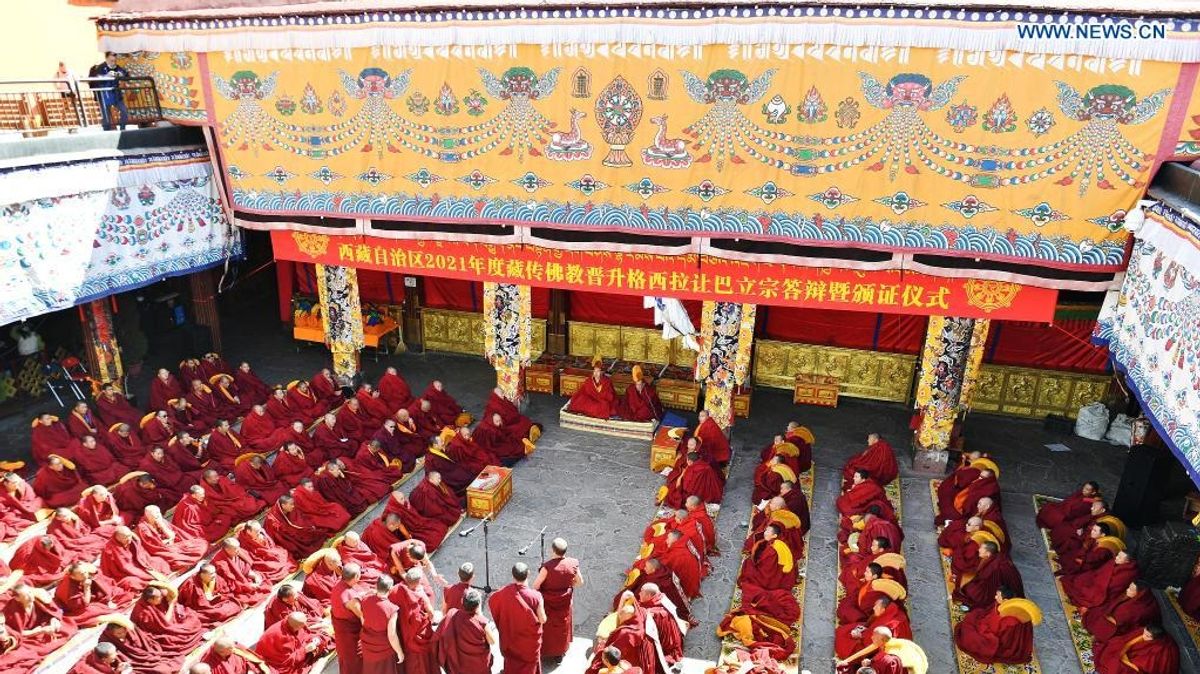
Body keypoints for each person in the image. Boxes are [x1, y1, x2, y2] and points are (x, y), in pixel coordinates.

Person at [489, 563, 547, 674]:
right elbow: (542, 619)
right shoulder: (536, 596)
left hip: (511, 636)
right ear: (528, 574)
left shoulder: (504, 592)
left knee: (512, 661)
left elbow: (492, 601)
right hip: (528, 642)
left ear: (513, 576)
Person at [533, 537, 583, 665]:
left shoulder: (547, 567)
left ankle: (545, 650)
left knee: (548, 628)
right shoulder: (573, 563)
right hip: (564, 602)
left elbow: (536, 586)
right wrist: (567, 584)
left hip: (548, 602)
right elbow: (580, 582)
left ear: (552, 550)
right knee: (562, 627)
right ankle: (559, 653)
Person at [954, 588, 1036, 665]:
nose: (995, 597)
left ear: (1005, 600)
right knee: (972, 616)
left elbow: (1003, 639)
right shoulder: (999, 604)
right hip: (986, 625)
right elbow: (988, 614)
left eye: (998, 596)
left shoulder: (1011, 621)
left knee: (971, 637)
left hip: (995, 638)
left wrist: (985, 630)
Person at [129, 584, 206, 654]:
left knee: (191, 617)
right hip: (158, 632)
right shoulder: (144, 613)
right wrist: (171, 605)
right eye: (159, 597)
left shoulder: (150, 601)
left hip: (164, 623)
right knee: (175, 638)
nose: (161, 598)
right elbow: (164, 624)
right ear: (150, 600)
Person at [1083, 580, 1161, 648]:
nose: (1127, 590)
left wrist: (1109, 620)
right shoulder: (1139, 598)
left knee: (1099, 626)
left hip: (1125, 628)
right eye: (1129, 587)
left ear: (1139, 594)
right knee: (1097, 613)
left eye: (1131, 589)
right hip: (1118, 620)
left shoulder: (1130, 610)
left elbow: (1122, 624)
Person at [390, 567, 438, 674]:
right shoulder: (420, 593)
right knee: (423, 657)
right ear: (418, 582)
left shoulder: (395, 590)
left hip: (405, 631)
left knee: (411, 657)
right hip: (419, 632)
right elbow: (431, 613)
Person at [438, 588, 495, 674]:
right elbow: (492, 641)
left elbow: (441, 633)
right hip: (478, 665)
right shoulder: (482, 622)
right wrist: (480, 615)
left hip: (459, 662)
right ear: (478, 605)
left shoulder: (452, 614)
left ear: (462, 601)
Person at [255, 611, 332, 674]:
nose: (305, 626)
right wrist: (305, 650)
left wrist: (313, 641)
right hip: (276, 661)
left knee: (320, 638)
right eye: (302, 625)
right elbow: (288, 660)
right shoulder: (281, 636)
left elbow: (304, 634)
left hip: (299, 648)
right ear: (296, 627)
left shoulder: (290, 623)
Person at [834, 596, 911, 659]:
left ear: (883, 609)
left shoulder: (889, 624)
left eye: (876, 607)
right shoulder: (892, 610)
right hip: (878, 635)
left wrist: (860, 636)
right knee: (849, 628)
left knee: (842, 639)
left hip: (884, 647)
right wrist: (865, 628)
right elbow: (873, 625)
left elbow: (873, 642)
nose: (873, 608)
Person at [55, 562, 129, 627]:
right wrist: (87, 588)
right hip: (74, 609)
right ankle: (107, 617)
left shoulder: (80, 577)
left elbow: (96, 573)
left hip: (85, 599)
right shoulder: (70, 588)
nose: (85, 575)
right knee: (92, 611)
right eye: (81, 574)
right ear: (72, 576)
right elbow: (84, 604)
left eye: (85, 572)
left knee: (114, 591)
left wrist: (93, 570)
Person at [99, 526, 170, 594]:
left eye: (129, 535)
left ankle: (153, 579)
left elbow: (141, 553)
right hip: (123, 574)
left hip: (139, 563)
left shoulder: (132, 539)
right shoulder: (109, 549)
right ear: (117, 537)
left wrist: (144, 563)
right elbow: (124, 567)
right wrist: (144, 574)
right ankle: (151, 582)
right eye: (125, 537)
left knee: (159, 561)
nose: (129, 539)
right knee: (131, 582)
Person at [954, 541, 1024, 610]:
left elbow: (984, 579)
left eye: (981, 548)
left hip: (994, 589)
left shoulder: (995, 565)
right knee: (965, 580)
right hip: (991, 584)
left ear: (988, 553)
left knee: (971, 590)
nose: (979, 550)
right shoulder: (991, 558)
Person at [265, 494, 334, 561]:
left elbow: (297, 519)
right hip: (282, 537)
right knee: (297, 546)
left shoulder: (289, 509)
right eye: (291, 504)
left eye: (293, 504)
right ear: (283, 505)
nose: (293, 506)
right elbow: (279, 537)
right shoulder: (273, 519)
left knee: (311, 532)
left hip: (291, 529)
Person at [355, 575, 401, 674]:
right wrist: (400, 652)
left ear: (376, 586)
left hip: (368, 644)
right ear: (390, 589)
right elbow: (392, 636)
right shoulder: (392, 609)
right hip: (383, 648)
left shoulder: (365, 599)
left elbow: (363, 619)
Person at [1063, 550, 1139, 609]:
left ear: (1127, 562)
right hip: (1097, 579)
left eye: (1119, 558)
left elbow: (1113, 586)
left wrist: (1099, 583)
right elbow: (1101, 571)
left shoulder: (1128, 573)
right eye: (1117, 555)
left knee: (1088, 593)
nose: (1116, 558)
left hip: (1105, 591)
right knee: (1079, 579)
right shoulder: (1115, 562)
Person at [1094, 624, 1179, 674]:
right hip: (1129, 655)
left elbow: (1139, 668)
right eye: (1144, 633)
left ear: (1155, 639)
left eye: (1147, 636)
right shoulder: (1145, 633)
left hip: (1134, 665)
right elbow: (1127, 641)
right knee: (1113, 646)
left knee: (1117, 667)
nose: (1143, 636)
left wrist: (1123, 659)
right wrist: (1121, 652)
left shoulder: (1159, 650)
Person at [176, 565, 243, 628]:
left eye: (214, 572)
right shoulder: (191, 584)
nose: (214, 575)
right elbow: (190, 603)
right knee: (219, 613)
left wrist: (220, 597)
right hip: (203, 608)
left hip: (218, 603)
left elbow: (226, 591)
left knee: (234, 605)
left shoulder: (215, 578)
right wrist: (207, 602)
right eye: (211, 573)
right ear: (202, 574)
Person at [638, 584, 684, 668]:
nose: (639, 594)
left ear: (649, 596)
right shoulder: (662, 598)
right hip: (674, 638)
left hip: (665, 646)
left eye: (642, 592)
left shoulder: (652, 613)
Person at [331, 563, 366, 674]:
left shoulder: (338, 584)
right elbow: (362, 618)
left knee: (346, 659)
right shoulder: (351, 599)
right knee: (355, 661)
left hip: (341, 633)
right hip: (351, 635)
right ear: (356, 577)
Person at [236, 520, 295, 584]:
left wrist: (263, 541)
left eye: (259, 529)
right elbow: (248, 556)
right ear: (248, 531)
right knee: (270, 567)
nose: (259, 532)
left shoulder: (261, 531)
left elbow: (271, 544)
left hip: (270, 551)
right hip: (259, 558)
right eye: (256, 531)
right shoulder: (242, 540)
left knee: (283, 556)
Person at [659, 451, 724, 509]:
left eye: (687, 460)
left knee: (673, 493)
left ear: (690, 461)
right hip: (712, 489)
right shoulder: (704, 463)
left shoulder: (691, 470)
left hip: (697, 494)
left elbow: (685, 488)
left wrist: (682, 475)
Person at [1037, 480, 1102, 530]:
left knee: (1052, 515)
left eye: (1087, 489)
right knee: (1048, 507)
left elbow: (1074, 514)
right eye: (1084, 488)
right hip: (1063, 508)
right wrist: (1063, 505)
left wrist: (1065, 510)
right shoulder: (1082, 493)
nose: (1083, 490)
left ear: (1093, 492)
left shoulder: (1089, 503)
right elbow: (1069, 499)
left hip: (1067, 517)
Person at [94, 52, 129, 130]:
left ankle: (122, 129)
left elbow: (126, 74)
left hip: (116, 94)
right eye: (111, 60)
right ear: (107, 58)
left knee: (124, 111)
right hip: (105, 94)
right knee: (106, 116)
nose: (113, 62)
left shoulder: (117, 67)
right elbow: (96, 79)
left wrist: (121, 74)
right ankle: (107, 131)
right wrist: (106, 76)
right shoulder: (100, 67)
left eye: (114, 60)